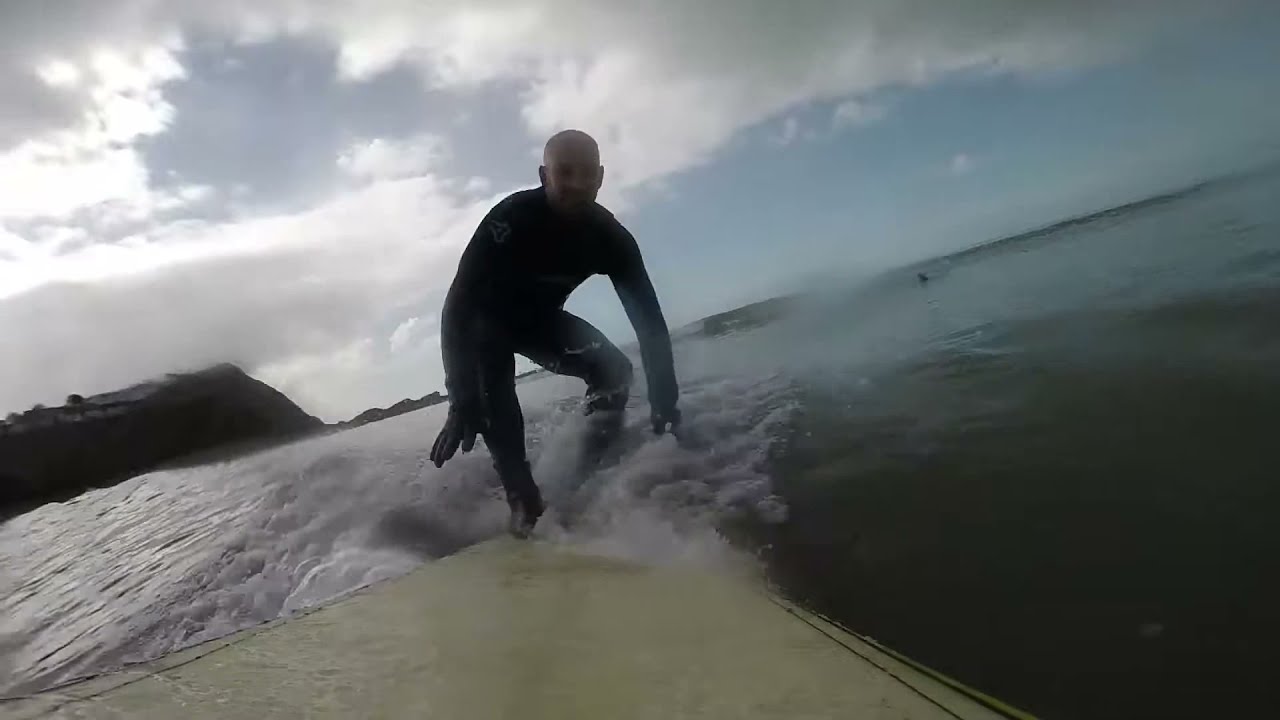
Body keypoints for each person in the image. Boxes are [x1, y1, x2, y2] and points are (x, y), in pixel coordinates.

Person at [429, 129, 682, 538]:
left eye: (587, 174)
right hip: (484, 327)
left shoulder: (611, 239)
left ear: (601, 177)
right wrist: (460, 397)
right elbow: (456, 307)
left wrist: (665, 400)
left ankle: (584, 471)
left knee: (614, 372)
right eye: (566, 173)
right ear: (545, 175)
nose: (578, 185)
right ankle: (521, 499)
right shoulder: (508, 220)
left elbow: (649, 323)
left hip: (540, 323)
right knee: (493, 395)